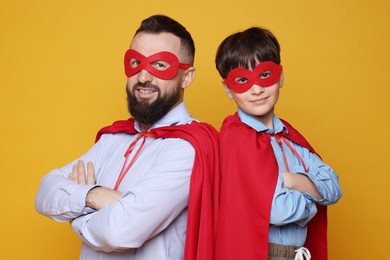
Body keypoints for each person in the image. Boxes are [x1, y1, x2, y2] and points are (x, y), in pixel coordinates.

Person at [35, 15, 220, 260]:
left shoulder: (188, 147)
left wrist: (77, 214)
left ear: (187, 76)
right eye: (135, 63)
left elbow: (118, 231)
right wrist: (94, 194)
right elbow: (45, 191)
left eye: (160, 65)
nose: (143, 78)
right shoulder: (112, 139)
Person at [214, 27, 342, 260]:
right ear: (228, 90)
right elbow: (279, 211)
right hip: (263, 254)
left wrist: (291, 181)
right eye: (242, 80)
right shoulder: (236, 139)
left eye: (265, 75)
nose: (257, 89)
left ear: (280, 76)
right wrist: (312, 195)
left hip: (300, 254)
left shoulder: (290, 138)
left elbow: (333, 188)